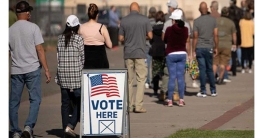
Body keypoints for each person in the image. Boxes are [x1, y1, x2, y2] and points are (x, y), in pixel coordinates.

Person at [9, 1, 51, 138]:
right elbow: (39, 49)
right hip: (32, 69)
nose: (30, 14)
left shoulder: (9, 30)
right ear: (27, 13)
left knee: (14, 102)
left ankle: (15, 131)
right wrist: (46, 69)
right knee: (35, 99)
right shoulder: (34, 28)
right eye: (29, 12)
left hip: (16, 71)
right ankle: (28, 126)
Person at [119, 2, 153, 113]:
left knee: (129, 80)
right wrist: (142, 37)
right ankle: (138, 106)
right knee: (141, 79)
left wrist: (129, 38)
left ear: (130, 9)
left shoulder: (124, 20)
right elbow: (151, 36)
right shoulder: (144, 19)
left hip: (128, 53)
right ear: (138, 9)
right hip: (140, 52)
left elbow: (120, 38)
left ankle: (129, 106)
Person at [55, 15, 84, 138]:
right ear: (77, 26)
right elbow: (82, 58)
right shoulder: (79, 39)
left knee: (65, 103)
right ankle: (70, 126)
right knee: (80, 101)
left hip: (63, 74)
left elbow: (58, 57)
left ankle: (64, 128)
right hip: (76, 75)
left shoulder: (60, 38)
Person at [164, 9, 190, 107]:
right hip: (182, 53)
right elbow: (186, 39)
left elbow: (165, 40)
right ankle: (181, 100)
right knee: (180, 77)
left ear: (174, 20)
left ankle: (170, 100)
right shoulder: (186, 29)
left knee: (172, 77)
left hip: (171, 54)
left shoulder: (169, 29)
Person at [192, 2, 218, 98]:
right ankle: (213, 90)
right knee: (210, 69)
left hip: (200, 47)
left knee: (202, 70)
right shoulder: (213, 20)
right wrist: (216, 47)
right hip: (209, 47)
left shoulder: (196, 21)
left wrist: (193, 49)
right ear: (207, 9)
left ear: (199, 9)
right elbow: (215, 35)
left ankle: (203, 91)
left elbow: (195, 36)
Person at [78, 3, 112, 69]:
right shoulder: (102, 27)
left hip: (85, 60)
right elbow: (110, 45)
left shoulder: (81, 27)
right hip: (100, 61)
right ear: (97, 15)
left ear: (88, 14)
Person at [212, 7, 236, 85]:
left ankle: (212, 79)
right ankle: (221, 79)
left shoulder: (215, 21)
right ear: (228, 13)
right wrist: (234, 43)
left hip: (216, 44)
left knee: (215, 63)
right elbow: (234, 35)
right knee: (223, 63)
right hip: (227, 45)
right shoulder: (231, 23)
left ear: (221, 13)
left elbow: (212, 32)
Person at [149, 10, 166, 96]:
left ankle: (155, 90)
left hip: (155, 51)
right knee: (163, 71)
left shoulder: (153, 28)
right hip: (163, 51)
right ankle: (163, 89)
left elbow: (151, 39)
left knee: (155, 71)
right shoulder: (165, 28)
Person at [228, 0, 243, 76]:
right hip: (236, 36)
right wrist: (239, 41)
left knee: (230, 54)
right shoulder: (239, 11)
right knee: (234, 53)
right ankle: (234, 68)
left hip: (229, 36)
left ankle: (230, 66)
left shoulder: (228, 10)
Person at [145, 6, 156, 89]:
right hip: (155, 46)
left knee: (147, 65)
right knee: (155, 65)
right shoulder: (156, 22)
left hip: (147, 45)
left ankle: (147, 81)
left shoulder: (146, 22)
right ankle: (154, 81)